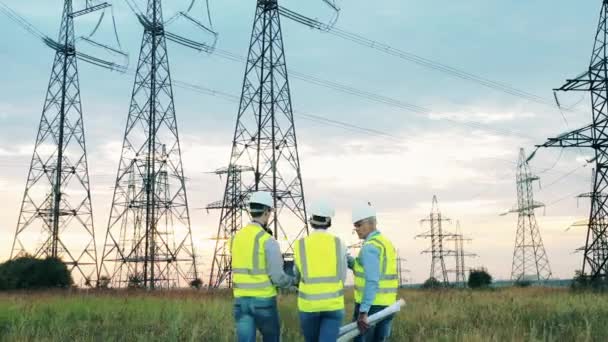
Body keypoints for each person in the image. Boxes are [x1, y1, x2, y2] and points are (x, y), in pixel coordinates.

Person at [231, 191, 295, 342]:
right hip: (263, 301)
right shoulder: (268, 240)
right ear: (266, 212)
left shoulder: (235, 239)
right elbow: (277, 277)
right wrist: (292, 282)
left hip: (241, 300)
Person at [293, 200, 348, 342]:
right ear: (328, 220)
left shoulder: (300, 244)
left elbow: (297, 275)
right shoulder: (339, 243)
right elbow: (343, 276)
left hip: (308, 306)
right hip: (333, 305)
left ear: (311, 220)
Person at [348, 204, 398, 342]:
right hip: (388, 305)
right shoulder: (385, 243)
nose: (356, 229)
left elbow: (372, 280)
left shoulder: (370, 247)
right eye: (355, 226)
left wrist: (363, 312)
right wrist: (348, 260)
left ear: (371, 223)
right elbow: (366, 269)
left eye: (358, 224)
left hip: (371, 308)